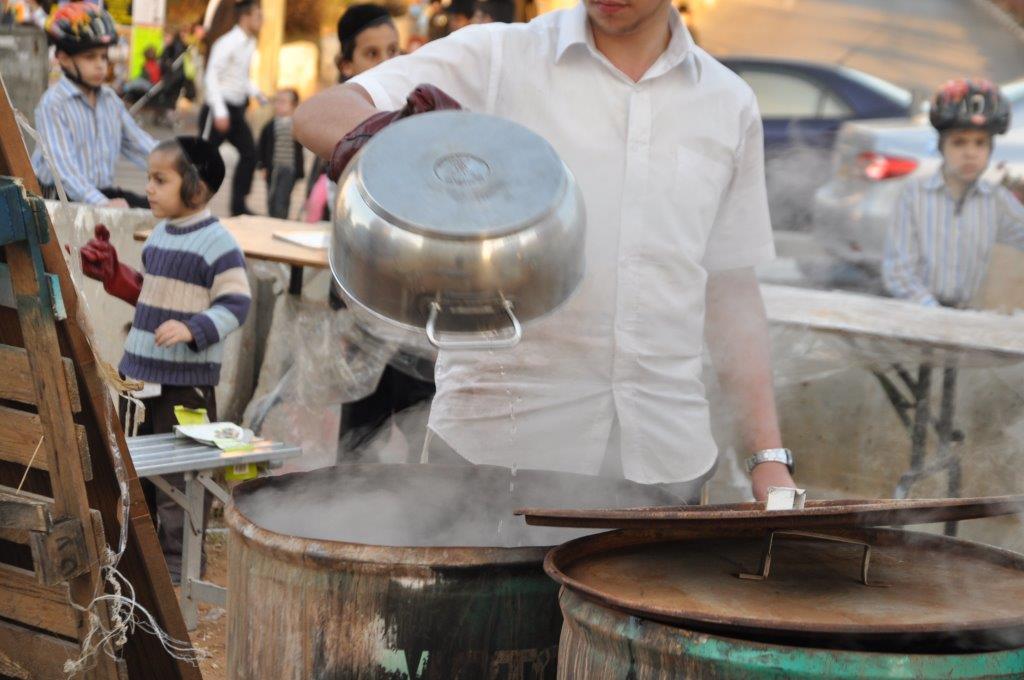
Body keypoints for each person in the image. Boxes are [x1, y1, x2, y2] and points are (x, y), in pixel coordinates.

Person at [294, 0, 796, 501]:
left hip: (665, 461)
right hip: (495, 455)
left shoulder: (727, 103)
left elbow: (730, 288)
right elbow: (320, 113)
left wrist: (767, 459)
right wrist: (416, 148)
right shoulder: (496, 57)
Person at [79, 135, 252, 579]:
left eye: (161, 179)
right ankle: (144, 559)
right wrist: (114, 274)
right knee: (136, 470)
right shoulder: (160, 236)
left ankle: (180, 568)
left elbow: (236, 304)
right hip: (139, 378)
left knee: (182, 476)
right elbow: (150, 296)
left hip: (184, 382)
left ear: (196, 187)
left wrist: (193, 328)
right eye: (149, 178)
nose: (149, 188)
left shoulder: (218, 243)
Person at [883, 79, 1024, 309]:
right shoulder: (914, 195)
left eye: (980, 143)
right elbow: (898, 273)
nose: (970, 153)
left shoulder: (996, 200)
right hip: (915, 316)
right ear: (941, 146)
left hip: (968, 319)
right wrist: (936, 315)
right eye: (959, 143)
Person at [30, 2, 156, 208]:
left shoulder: (110, 100)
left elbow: (140, 144)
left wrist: (181, 166)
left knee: (158, 209)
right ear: (63, 58)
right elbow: (63, 170)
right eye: (90, 57)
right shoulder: (53, 104)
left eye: (104, 56)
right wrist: (103, 204)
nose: (100, 65)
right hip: (59, 200)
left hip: (98, 193)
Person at [199, 0, 265, 216]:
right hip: (218, 109)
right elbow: (211, 77)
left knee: (250, 154)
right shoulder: (228, 42)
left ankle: (238, 206)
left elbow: (240, 76)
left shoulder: (249, 42)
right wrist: (219, 111)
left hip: (236, 110)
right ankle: (194, 205)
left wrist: (257, 93)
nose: (261, 20)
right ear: (245, 17)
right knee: (205, 159)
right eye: (257, 15)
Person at [257, 88, 305, 219]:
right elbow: (261, 147)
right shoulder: (270, 126)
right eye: (277, 101)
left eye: (283, 102)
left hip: (289, 169)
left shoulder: (297, 125)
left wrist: (300, 171)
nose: (279, 105)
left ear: (294, 105)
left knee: (283, 198)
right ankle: (273, 217)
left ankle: (281, 219)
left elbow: (301, 149)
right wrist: (262, 166)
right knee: (272, 195)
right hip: (274, 168)